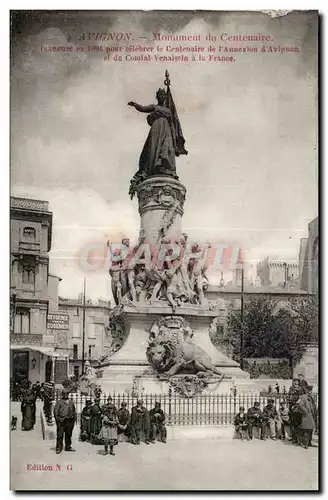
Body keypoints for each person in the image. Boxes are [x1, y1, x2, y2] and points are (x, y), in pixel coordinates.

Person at [53, 389, 77, 454]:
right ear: (62, 395)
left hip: (70, 420)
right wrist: (58, 420)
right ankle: (59, 447)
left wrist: (74, 418)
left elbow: (74, 410)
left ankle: (68, 446)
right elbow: (55, 412)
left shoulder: (71, 402)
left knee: (68, 434)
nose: (66, 395)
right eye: (64, 394)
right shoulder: (59, 402)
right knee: (60, 435)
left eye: (67, 394)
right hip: (62, 420)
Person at [288, 379, 303, 444]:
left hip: (298, 407)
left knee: (298, 423)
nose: (295, 384)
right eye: (294, 383)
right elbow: (289, 396)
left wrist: (298, 401)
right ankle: (294, 438)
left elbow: (302, 397)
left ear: (298, 383)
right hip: (291, 407)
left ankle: (299, 438)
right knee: (292, 423)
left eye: (296, 383)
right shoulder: (291, 388)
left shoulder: (300, 389)